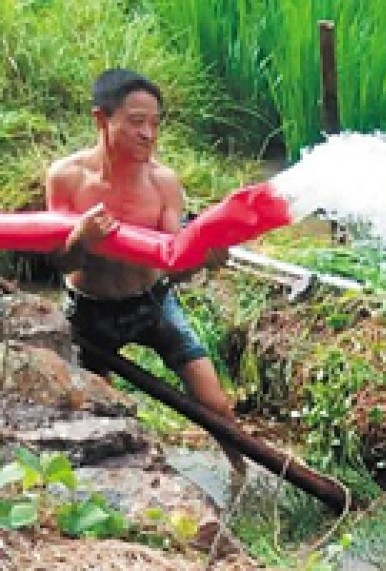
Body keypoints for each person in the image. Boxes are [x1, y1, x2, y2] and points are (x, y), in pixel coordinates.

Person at [45, 68, 246, 478]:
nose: (148, 134)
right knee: (97, 415)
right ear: (101, 119)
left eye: (155, 123)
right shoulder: (66, 178)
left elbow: (176, 264)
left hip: (154, 304)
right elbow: (60, 263)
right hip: (89, 313)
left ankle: (241, 474)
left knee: (216, 406)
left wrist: (206, 259)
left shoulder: (163, 183)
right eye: (137, 122)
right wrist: (81, 238)